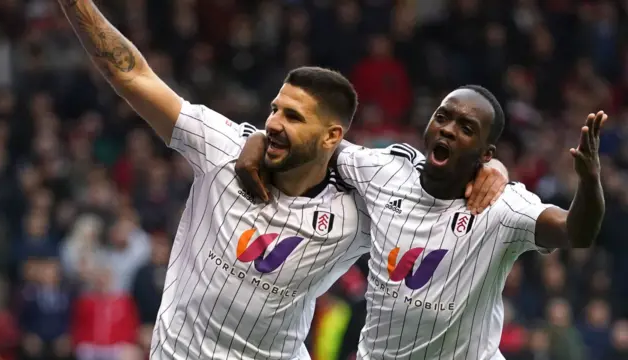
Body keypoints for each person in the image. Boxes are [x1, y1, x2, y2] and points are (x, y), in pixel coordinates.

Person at [57, 1, 507, 359]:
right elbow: (131, 73)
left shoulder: (356, 210)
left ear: (332, 136)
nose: (273, 122)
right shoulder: (222, 147)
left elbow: (429, 190)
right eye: (274, 109)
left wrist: (489, 169)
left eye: (293, 117)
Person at [236, 86, 606, 359]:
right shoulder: (383, 171)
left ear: (485, 153)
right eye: (442, 117)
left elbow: (577, 231)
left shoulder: (501, 207)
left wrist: (589, 182)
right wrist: (256, 139)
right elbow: (312, 142)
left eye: (465, 128)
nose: (447, 129)